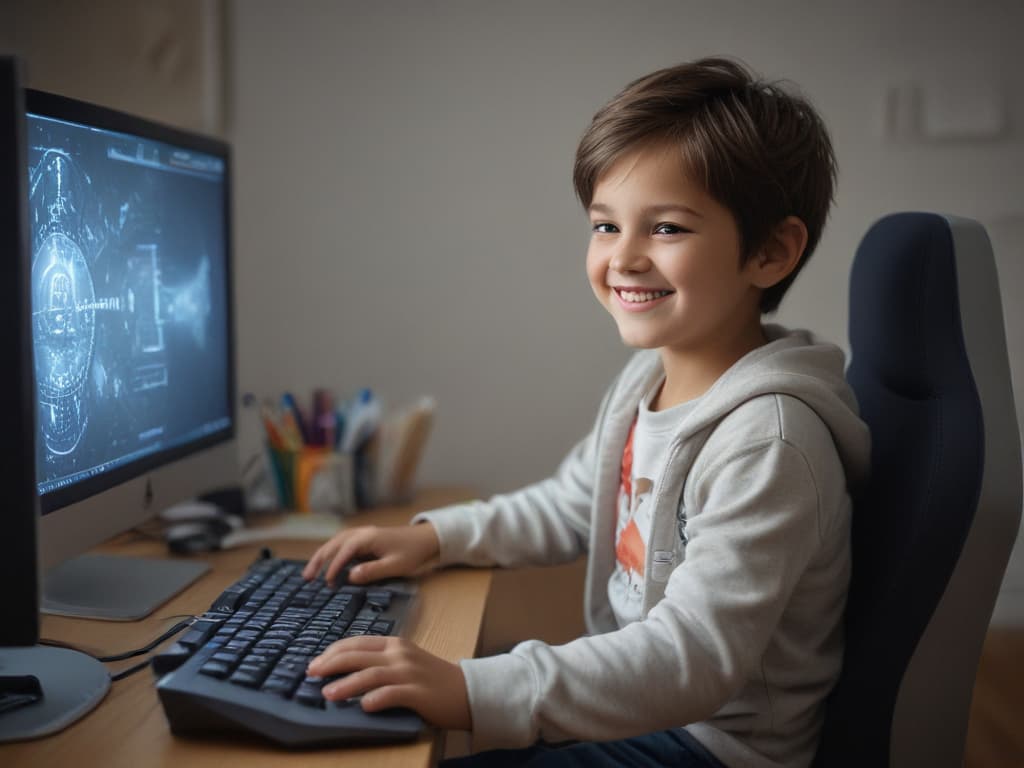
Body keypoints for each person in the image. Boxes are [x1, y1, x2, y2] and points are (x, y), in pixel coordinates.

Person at [302, 56, 870, 768]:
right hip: (648, 706)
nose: (622, 258)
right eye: (605, 226)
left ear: (770, 251)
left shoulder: (769, 442)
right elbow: (575, 504)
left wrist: (471, 690)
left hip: (716, 747)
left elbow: (691, 658)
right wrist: (435, 538)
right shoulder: (645, 382)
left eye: (665, 228)